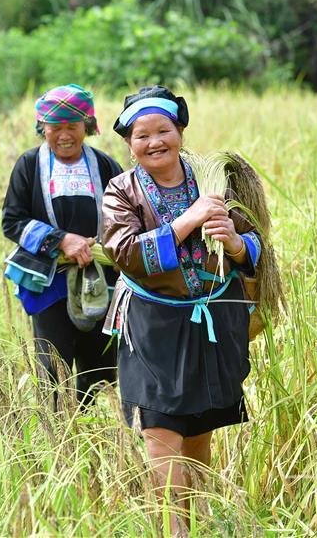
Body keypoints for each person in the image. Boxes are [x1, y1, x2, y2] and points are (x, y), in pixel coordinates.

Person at [101, 85, 263, 528]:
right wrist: (187, 221)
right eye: (142, 135)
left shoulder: (214, 181)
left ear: (181, 132)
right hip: (152, 326)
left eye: (164, 131)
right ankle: (174, 529)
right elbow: (124, 252)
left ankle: (198, 519)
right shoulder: (121, 191)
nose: (155, 142)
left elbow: (256, 244)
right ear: (129, 144)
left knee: (198, 429)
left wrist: (235, 242)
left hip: (211, 321)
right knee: (159, 428)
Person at [2, 84, 123, 409]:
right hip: (49, 283)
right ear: (43, 128)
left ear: (88, 125)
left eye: (73, 126)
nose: (64, 135)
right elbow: (12, 221)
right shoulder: (29, 165)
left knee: (101, 371)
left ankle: (94, 428)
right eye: (55, 127)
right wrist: (62, 240)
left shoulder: (105, 166)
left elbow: (126, 216)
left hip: (101, 281)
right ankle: (56, 431)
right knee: (52, 371)